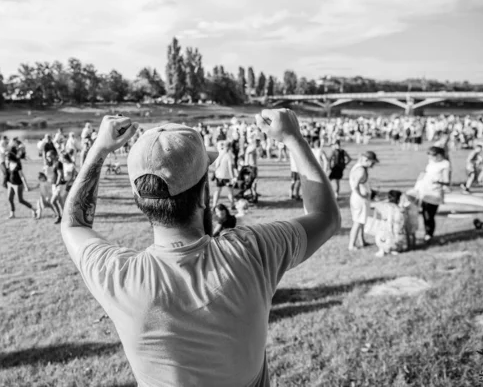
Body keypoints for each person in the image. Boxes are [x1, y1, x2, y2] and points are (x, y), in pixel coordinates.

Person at [60, 110, 340, 386]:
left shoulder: (118, 277)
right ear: (205, 194)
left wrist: (99, 148)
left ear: (138, 199)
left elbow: (73, 224)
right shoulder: (253, 251)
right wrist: (293, 139)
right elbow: (326, 217)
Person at [414, 146, 451, 244]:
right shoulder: (431, 163)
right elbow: (425, 174)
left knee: (429, 215)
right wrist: (417, 186)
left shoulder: (445, 164)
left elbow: (447, 181)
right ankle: (427, 233)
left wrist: (438, 182)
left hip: (434, 193)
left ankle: (429, 234)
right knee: (424, 213)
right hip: (424, 191)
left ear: (439, 156)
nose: (430, 159)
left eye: (431, 156)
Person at [348, 151, 379, 251]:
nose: (373, 165)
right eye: (372, 162)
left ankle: (362, 240)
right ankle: (351, 245)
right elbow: (355, 186)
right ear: (366, 160)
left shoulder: (357, 166)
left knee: (361, 221)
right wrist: (362, 195)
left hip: (357, 198)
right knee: (357, 222)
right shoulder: (361, 170)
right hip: (360, 200)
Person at [371, 190, 407, 257]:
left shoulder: (384, 206)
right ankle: (393, 249)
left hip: (382, 238)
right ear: (399, 199)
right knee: (398, 233)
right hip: (394, 235)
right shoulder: (399, 209)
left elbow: (373, 205)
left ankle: (384, 249)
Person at [5, 152, 35, 219]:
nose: (6, 160)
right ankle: (12, 213)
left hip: (18, 185)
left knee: (20, 200)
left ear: (10, 158)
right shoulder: (9, 164)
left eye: (7, 158)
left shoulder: (17, 164)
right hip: (11, 184)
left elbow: (22, 176)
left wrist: (26, 186)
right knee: (10, 198)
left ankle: (33, 209)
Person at [211, 140, 235, 209]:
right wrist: (232, 177)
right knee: (230, 191)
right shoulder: (229, 155)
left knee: (217, 191)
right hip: (227, 176)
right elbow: (230, 167)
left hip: (219, 176)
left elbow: (216, 165)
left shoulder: (219, 154)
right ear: (230, 147)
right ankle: (232, 205)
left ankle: (214, 205)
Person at [44, 150, 65, 224]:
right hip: (54, 185)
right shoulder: (51, 163)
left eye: (48, 156)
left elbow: (60, 174)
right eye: (46, 156)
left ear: (53, 156)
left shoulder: (58, 163)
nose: (47, 157)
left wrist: (57, 183)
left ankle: (59, 216)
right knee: (59, 202)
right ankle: (62, 216)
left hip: (59, 185)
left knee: (53, 201)